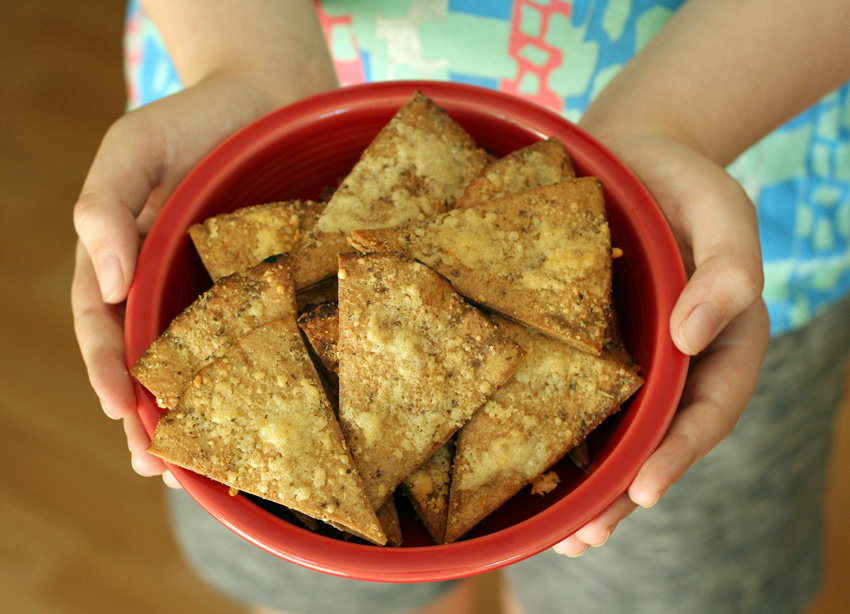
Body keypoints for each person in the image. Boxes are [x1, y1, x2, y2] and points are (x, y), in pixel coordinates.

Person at [72, 1, 850, 612]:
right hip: (241, 47)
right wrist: (245, 62)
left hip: (730, 193)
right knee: (329, 596)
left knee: (661, 595)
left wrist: (674, 121)